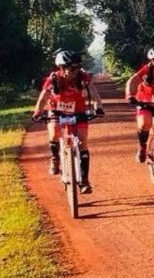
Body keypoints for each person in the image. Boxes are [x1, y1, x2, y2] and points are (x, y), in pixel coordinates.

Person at [32, 50, 105, 194]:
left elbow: (93, 91)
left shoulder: (82, 77)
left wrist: (99, 107)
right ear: (61, 68)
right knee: (53, 134)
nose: (75, 71)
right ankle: (55, 158)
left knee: (83, 143)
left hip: (78, 111)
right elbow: (43, 96)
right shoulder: (53, 79)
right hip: (56, 110)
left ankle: (84, 181)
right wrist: (38, 112)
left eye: (77, 67)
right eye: (71, 68)